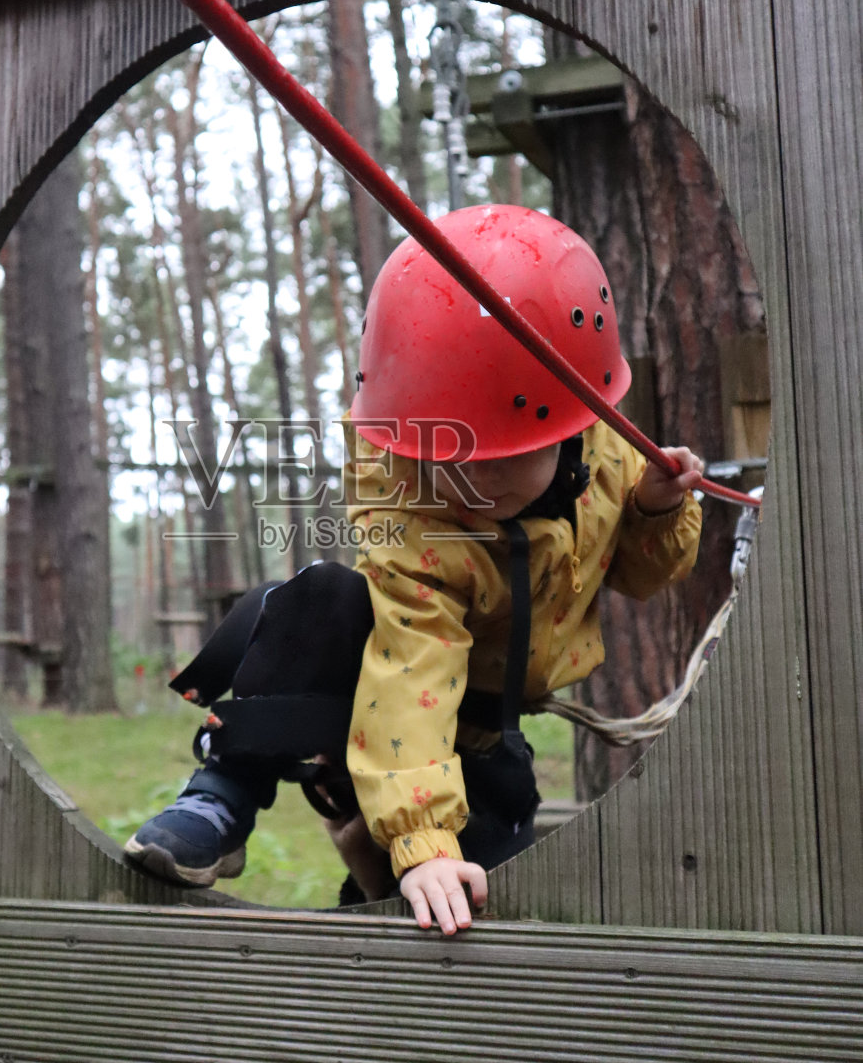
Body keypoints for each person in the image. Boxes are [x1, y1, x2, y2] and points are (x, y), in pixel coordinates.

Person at [124, 206, 703, 934]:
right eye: (450, 451)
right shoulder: (410, 502)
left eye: (500, 455)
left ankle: (369, 891)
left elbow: (644, 578)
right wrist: (421, 838)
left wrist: (652, 511)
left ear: (572, 420)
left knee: (483, 901)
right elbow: (413, 662)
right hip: (385, 697)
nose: (470, 479)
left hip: (487, 728)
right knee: (315, 600)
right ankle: (224, 787)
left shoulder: (611, 457)